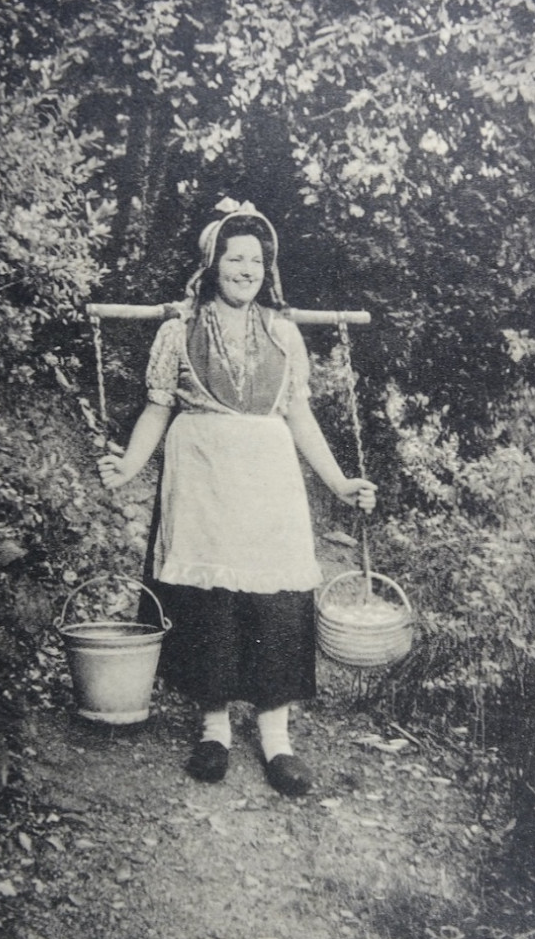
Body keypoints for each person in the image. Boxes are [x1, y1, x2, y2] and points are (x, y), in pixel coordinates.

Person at [98, 199, 376, 796]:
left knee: (274, 602)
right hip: (201, 474)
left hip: (267, 479)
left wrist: (339, 481)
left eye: (255, 259)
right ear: (213, 262)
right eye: (234, 257)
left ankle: (277, 741)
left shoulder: (282, 333)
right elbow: (157, 407)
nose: (245, 269)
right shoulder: (180, 329)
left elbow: (298, 413)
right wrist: (126, 465)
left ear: (266, 268)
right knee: (212, 603)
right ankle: (214, 730)